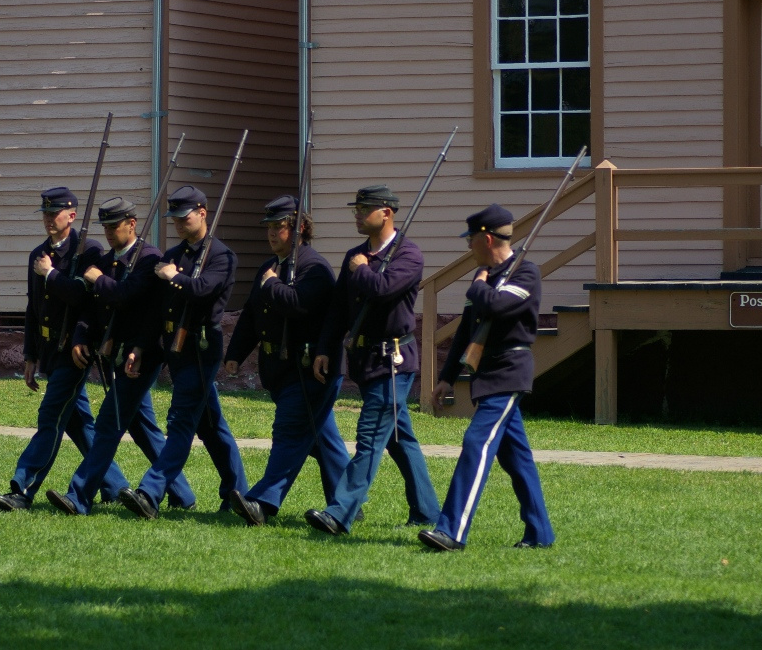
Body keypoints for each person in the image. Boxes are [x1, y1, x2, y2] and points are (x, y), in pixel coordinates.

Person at [44, 197, 196, 515]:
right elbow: (92, 308)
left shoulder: (147, 258)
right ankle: (182, 493)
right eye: (106, 227)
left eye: (115, 226)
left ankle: (79, 496)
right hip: (114, 354)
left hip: (141, 354)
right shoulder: (107, 260)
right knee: (141, 426)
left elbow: (128, 299)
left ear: (132, 223)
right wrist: (83, 337)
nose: (110, 232)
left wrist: (97, 279)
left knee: (107, 424)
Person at [303, 185, 440, 535]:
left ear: (386, 213)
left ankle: (340, 512)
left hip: (393, 362)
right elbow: (338, 310)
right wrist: (324, 348)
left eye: (364, 209)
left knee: (370, 435)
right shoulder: (356, 254)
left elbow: (382, 291)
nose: (358, 215)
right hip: (365, 360)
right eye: (356, 209)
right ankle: (427, 511)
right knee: (399, 439)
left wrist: (362, 269)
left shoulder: (408, 254)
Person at [419, 204, 555, 551]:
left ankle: (451, 530)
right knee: (517, 458)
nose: (468, 247)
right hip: (487, 373)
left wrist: (478, 286)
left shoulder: (525, 274)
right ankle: (540, 533)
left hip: (508, 373)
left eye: (471, 240)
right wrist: (447, 377)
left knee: (476, 443)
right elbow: (466, 332)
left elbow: (494, 306)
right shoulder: (487, 279)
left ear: (488, 238)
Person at [0, 187, 128, 511]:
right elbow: (33, 308)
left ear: (72, 215)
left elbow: (83, 300)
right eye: (46, 213)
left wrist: (51, 274)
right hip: (50, 351)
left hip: (75, 351)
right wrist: (30, 355)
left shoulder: (89, 252)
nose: (49, 219)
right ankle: (116, 486)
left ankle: (22, 489)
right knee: (80, 424)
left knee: (50, 416)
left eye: (56, 213)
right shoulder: (38, 255)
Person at [118, 185, 248, 519]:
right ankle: (238, 493)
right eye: (173, 217)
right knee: (211, 427)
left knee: (179, 422)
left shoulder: (221, 255)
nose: (177, 222)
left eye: (183, 215)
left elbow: (204, 290)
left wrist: (175, 276)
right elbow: (157, 311)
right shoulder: (173, 255)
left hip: (202, 348)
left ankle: (151, 491)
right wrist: (141, 347)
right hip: (175, 348)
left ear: (202, 213)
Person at [223, 195, 351, 526]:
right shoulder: (270, 268)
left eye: (279, 227)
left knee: (289, 433)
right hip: (281, 371)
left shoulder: (315, 268)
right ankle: (348, 502)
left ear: (300, 228)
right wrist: (236, 354)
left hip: (310, 369)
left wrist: (273, 285)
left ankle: (262, 502)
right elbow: (252, 315)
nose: (271, 233)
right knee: (324, 441)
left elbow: (298, 305)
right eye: (269, 227)